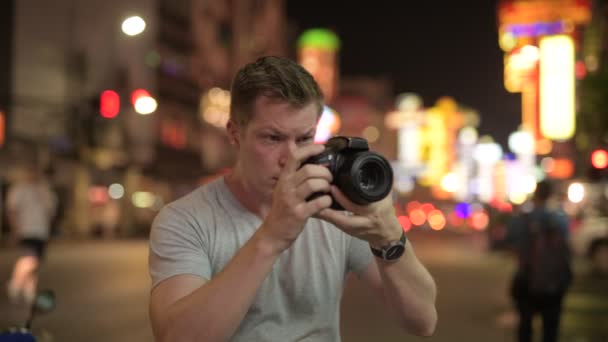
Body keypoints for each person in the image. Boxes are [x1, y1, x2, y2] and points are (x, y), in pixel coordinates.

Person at [148, 56, 437, 341]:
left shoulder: (335, 207)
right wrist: (273, 236)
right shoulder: (185, 219)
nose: (291, 158)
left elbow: (423, 320)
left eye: (303, 139)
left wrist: (389, 237)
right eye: (272, 138)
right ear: (235, 133)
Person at [506, 180, 572, 342]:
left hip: (527, 279)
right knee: (551, 329)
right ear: (550, 195)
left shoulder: (523, 219)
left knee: (525, 326)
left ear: (535, 194)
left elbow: (513, 243)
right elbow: (567, 246)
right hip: (555, 282)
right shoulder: (561, 219)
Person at [6, 165, 57, 305]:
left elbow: (51, 210)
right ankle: (15, 284)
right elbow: (12, 210)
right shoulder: (19, 189)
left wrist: (50, 227)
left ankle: (29, 289)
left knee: (37, 261)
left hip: (41, 231)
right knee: (29, 258)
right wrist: (14, 229)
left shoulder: (44, 189)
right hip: (26, 230)